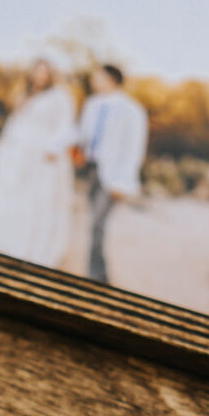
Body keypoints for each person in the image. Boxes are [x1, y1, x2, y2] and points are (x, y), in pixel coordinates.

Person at [0, 59, 78, 267]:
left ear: (51, 75)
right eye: (37, 71)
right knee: (11, 196)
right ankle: (7, 243)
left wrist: (54, 148)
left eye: (44, 72)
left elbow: (67, 126)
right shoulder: (24, 94)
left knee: (37, 200)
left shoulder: (60, 96)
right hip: (16, 154)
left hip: (41, 157)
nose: (40, 76)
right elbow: (15, 122)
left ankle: (32, 251)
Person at [77, 63, 148, 286]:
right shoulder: (92, 104)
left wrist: (121, 182)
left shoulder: (131, 110)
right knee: (94, 223)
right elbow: (83, 133)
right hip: (92, 171)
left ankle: (96, 277)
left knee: (98, 223)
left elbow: (134, 148)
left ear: (111, 79)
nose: (93, 81)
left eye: (97, 77)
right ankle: (98, 274)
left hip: (113, 177)